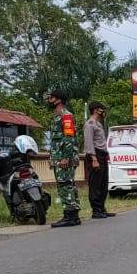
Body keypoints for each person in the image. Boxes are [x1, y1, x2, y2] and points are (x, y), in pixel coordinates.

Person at [44, 88, 82, 228]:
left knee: (65, 185)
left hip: (65, 158)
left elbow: (69, 137)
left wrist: (65, 158)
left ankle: (70, 216)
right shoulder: (57, 116)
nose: (49, 101)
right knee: (65, 185)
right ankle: (73, 215)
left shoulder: (66, 116)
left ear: (58, 99)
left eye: (51, 98)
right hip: (59, 157)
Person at [82, 101, 114, 220]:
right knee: (95, 184)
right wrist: (94, 159)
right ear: (96, 110)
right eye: (102, 109)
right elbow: (89, 143)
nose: (104, 111)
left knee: (103, 184)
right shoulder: (90, 124)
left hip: (102, 155)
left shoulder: (99, 124)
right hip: (95, 156)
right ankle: (96, 210)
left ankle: (101, 208)